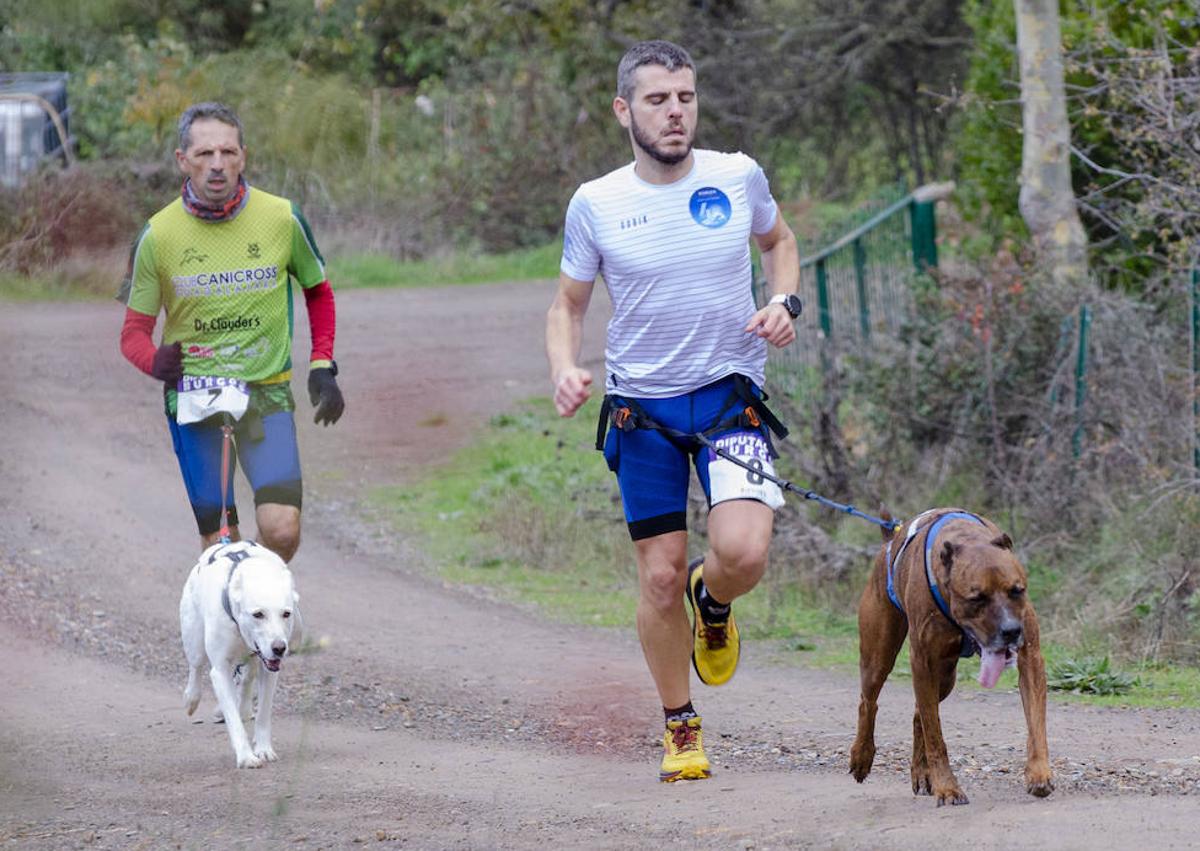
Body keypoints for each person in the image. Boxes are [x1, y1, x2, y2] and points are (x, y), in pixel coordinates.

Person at [545, 40, 802, 782]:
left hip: (729, 399)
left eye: (685, 97)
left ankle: (712, 598)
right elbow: (566, 306)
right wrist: (566, 366)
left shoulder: (737, 174)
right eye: (658, 100)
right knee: (657, 576)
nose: (675, 112)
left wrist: (783, 300)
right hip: (642, 413)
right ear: (626, 109)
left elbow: (779, 241)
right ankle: (680, 725)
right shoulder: (596, 202)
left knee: (744, 552)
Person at [118, 101, 344, 563]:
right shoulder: (157, 235)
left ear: (244, 156)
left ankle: (255, 604)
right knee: (222, 546)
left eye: (226, 152)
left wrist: (323, 365)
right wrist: (155, 361)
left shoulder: (282, 217)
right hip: (196, 397)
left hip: (266, 393)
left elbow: (319, 291)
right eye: (203, 154)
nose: (216, 164)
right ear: (183, 161)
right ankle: (239, 617)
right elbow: (133, 333)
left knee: (281, 532)